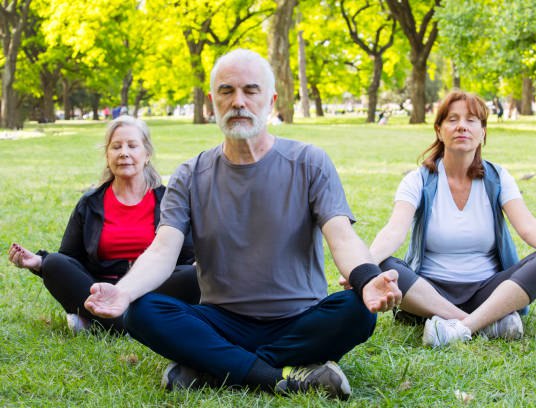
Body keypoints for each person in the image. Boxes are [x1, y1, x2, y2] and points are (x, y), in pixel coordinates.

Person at [84, 49, 402, 400]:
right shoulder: (190, 175)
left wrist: (369, 279)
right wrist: (124, 292)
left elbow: (341, 236)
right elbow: (162, 250)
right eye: (226, 91)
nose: (238, 102)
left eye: (251, 91)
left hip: (300, 319)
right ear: (211, 103)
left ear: (271, 101)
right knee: (142, 310)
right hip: (221, 322)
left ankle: (211, 368)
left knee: (358, 310)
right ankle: (279, 375)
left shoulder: (309, 161)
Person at [356, 90, 536, 347]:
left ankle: (458, 327)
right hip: (429, 291)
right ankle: (485, 323)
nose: (462, 126)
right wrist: (363, 268)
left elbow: (528, 226)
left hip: (488, 291)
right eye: (452, 119)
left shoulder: (498, 178)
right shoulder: (418, 179)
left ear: (482, 132)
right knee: (385, 266)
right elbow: (395, 230)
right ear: (439, 130)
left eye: (472, 120)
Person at [8, 116, 199, 334]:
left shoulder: (168, 201)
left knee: (193, 275)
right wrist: (38, 262)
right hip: (99, 289)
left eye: (132, 146)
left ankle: (103, 323)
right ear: (107, 155)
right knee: (54, 264)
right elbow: (70, 258)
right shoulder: (90, 203)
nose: (124, 153)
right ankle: (129, 323)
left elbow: (186, 256)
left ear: (147, 154)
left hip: (150, 288)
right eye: (116, 147)